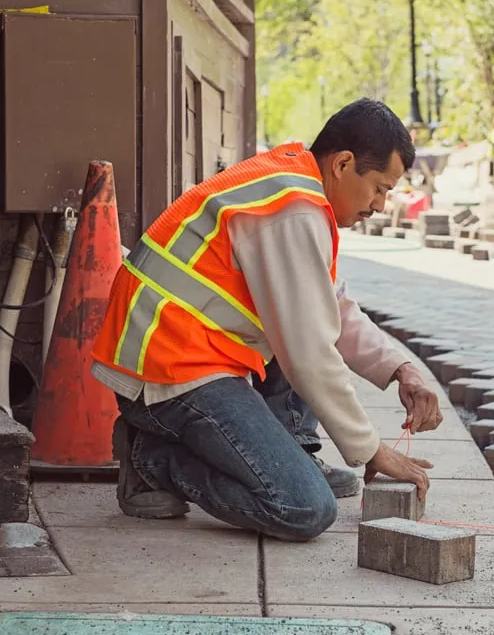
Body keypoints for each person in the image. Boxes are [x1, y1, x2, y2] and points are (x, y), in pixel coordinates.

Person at [91, 98, 441, 541]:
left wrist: (401, 369)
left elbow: (330, 307)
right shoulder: (291, 209)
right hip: (168, 374)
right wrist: (372, 450)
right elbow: (310, 353)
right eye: (378, 187)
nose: (381, 204)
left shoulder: (297, 185)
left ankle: (287, 451)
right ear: (343, 164)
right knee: (304, 507)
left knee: (305, 331)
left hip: (199, 354)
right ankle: (151, 460)